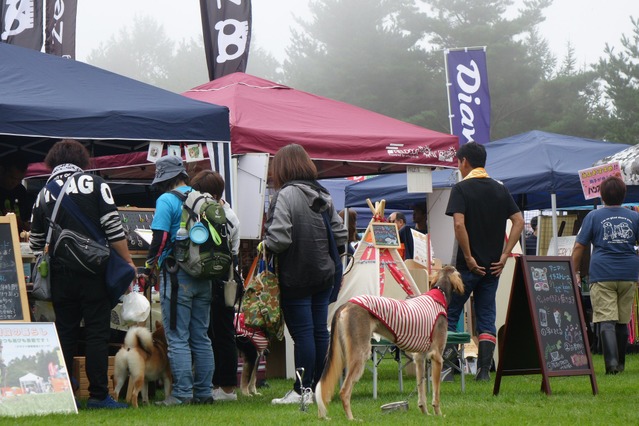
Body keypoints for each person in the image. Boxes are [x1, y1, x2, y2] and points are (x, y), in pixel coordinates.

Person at [29, 139, 134, 409]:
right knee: (97, 332)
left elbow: (35, 243)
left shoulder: (43, 192)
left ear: (53, 161)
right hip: (94, 273)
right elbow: (113, 228)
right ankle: (98, 396)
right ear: (81, 160)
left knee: (65, 331)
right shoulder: (96, 184)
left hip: (61, 275)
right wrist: (128, 261)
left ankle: (63, 394)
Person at [263, 144, 347, 405]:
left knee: (303, 334)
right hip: (324, 274)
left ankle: (302, 391)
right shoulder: (323, 193)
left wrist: (264, 245)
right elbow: (341, 234)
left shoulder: (285, 194)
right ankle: (321, 388)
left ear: (282, 168)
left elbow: (279, 237)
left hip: (296, 274)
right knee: (319, 332)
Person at [445, 142, 524, 382]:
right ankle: (483, 373)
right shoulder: (500, 189)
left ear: (464, 161)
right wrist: (504, 254)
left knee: (449, 313)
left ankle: (448, 371)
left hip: (466, 268)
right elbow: (519, 221)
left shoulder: (461, 188)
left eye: (458, 162)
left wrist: (468, 258)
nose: (458, 167)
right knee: (487, 317)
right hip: (492, 267)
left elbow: (459, 224)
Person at [143, 155, 214, 405]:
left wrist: (149, 266)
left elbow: (161, 239)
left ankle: (182, 394)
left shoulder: (167, 199)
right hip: (204, 274)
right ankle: (204, 392)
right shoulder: (202, 197)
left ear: (165, 179)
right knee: (201, 336)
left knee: (177, 336)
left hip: (177, 275)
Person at [571, 176, 638, 375]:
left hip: (602, 273)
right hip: (628, 273)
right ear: (624, 195)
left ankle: (611, 365)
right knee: (622, 320)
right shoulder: (634, 217)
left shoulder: (593, 217)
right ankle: (622, 363)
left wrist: (573, 271)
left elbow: (579, 247)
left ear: (601, 196)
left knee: (606, 319)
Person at [190, 170, 241, 401]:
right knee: (220, 332)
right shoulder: (231, 215)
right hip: (227, 279)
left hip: (216, 279)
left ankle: (227, 387)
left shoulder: (212, 214)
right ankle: (220, 385)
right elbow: (235, 251)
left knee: (219, 333)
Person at [0, 152, 33, 232]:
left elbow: (29, 225)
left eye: (19, 180)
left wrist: (18, 222)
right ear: (1, 170)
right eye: (12, 178)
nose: (14, 183)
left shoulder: (20, 191)